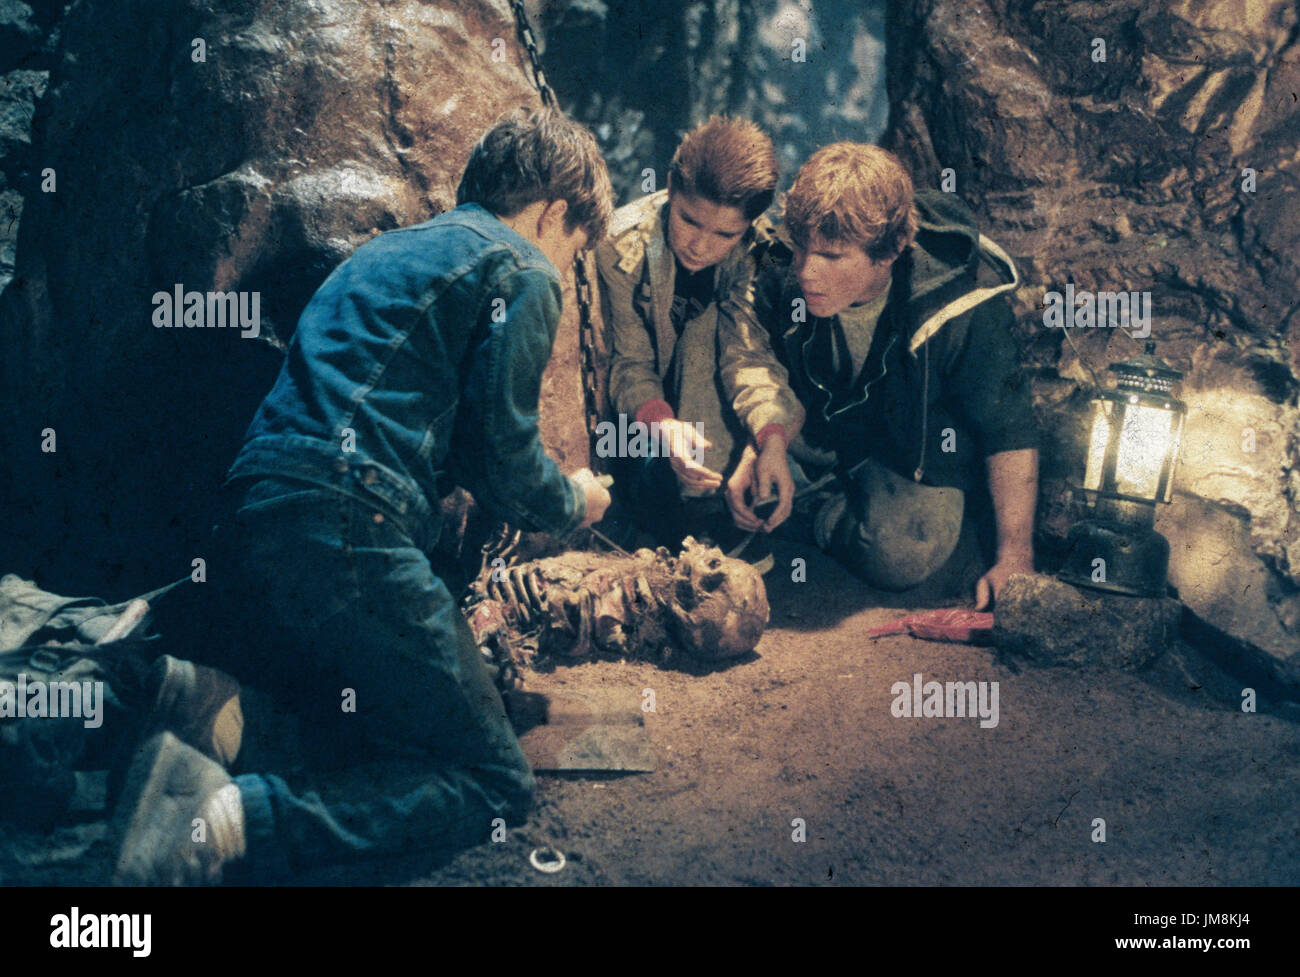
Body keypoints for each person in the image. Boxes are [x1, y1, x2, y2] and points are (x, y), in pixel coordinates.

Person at [111, 107, 614, 884]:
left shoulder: (389, 251)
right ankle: (231, 820)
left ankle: (206, 702)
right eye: (574, 247)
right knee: (492, 781)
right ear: (553, 214)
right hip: (348, 516)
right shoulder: (521, 266)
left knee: (368, 724)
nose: (564, 265)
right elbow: (506, 459)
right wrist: (573, 501)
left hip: (255, 509)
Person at [719, 143, 1039, 607]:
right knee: (714, 474)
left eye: (831, 256)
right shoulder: (780, 265)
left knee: (904, 552)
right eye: (802, 248)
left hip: (903, 458)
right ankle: (805, 498)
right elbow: (755, 363)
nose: (807, 272)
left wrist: (1015, 555)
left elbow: (1009, 429)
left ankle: (815, 516)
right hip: (807, 435)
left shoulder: (961, 303)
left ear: (890, 251)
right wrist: (762, 446)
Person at [596, 115, 800, 546]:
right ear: (671, 187)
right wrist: (663, 425)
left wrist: (771, 442)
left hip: (716, 407)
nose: (700, 246)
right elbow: (629, 361)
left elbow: (748, 357)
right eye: (690, 221)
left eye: (724, 234)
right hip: (642, 418)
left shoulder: (757, 253)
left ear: (747, 226)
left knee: (708, 328)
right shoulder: (620, 246)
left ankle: (716, 506)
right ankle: (690, 512)